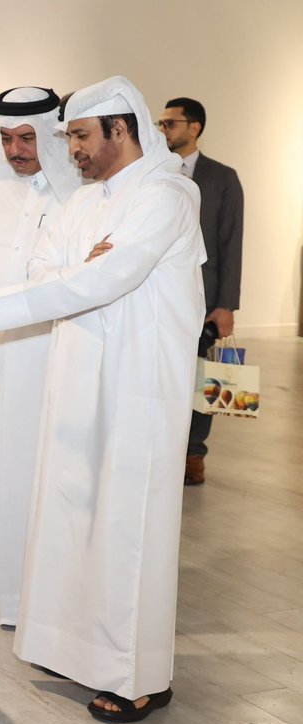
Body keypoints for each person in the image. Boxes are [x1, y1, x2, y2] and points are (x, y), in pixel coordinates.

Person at [0, 76, 206, 723]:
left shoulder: (169, 193)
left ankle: (139, 676)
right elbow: (53, 271)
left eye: (81, 137)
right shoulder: (82, 204)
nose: (73, 151)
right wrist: (84, 269)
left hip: (139, 384)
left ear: (120, 128)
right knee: (72, 514)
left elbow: (109, 272)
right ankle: (76, 650)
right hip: (79, 375)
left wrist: (32, 289)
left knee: (126, 526)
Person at [0, 87, 82, 626]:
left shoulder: (79, 194)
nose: (15, 149)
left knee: (45, 469)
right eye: (6, 138)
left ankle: (41, 596)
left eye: (27, 137)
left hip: (54, 347)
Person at [158, 97, 244, 486]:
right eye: (160, 123)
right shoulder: (157, 172)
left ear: (194, 128)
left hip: (205, 299)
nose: (164, 130)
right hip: (163, 295)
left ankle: (194, 455)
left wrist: (226, 304)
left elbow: (231, 242)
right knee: (164, 377)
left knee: (202, 379)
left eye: (171, 123)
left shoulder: (222, 178)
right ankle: (164, 450)